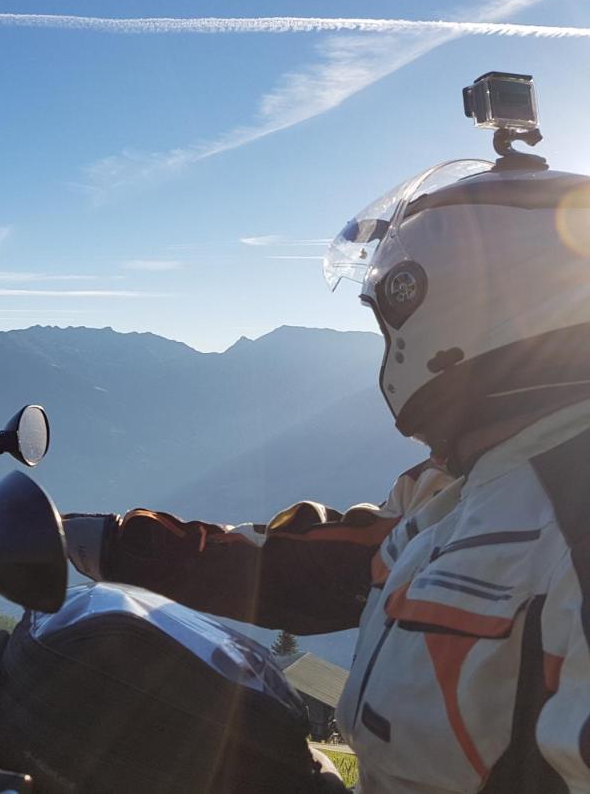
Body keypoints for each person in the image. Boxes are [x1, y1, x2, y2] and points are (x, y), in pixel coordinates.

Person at [64, 136, 590, 791]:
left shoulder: (569, 515)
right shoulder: (461, 490)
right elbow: (310, 567)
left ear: (450, 311)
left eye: (390, 321)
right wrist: (108, 543)